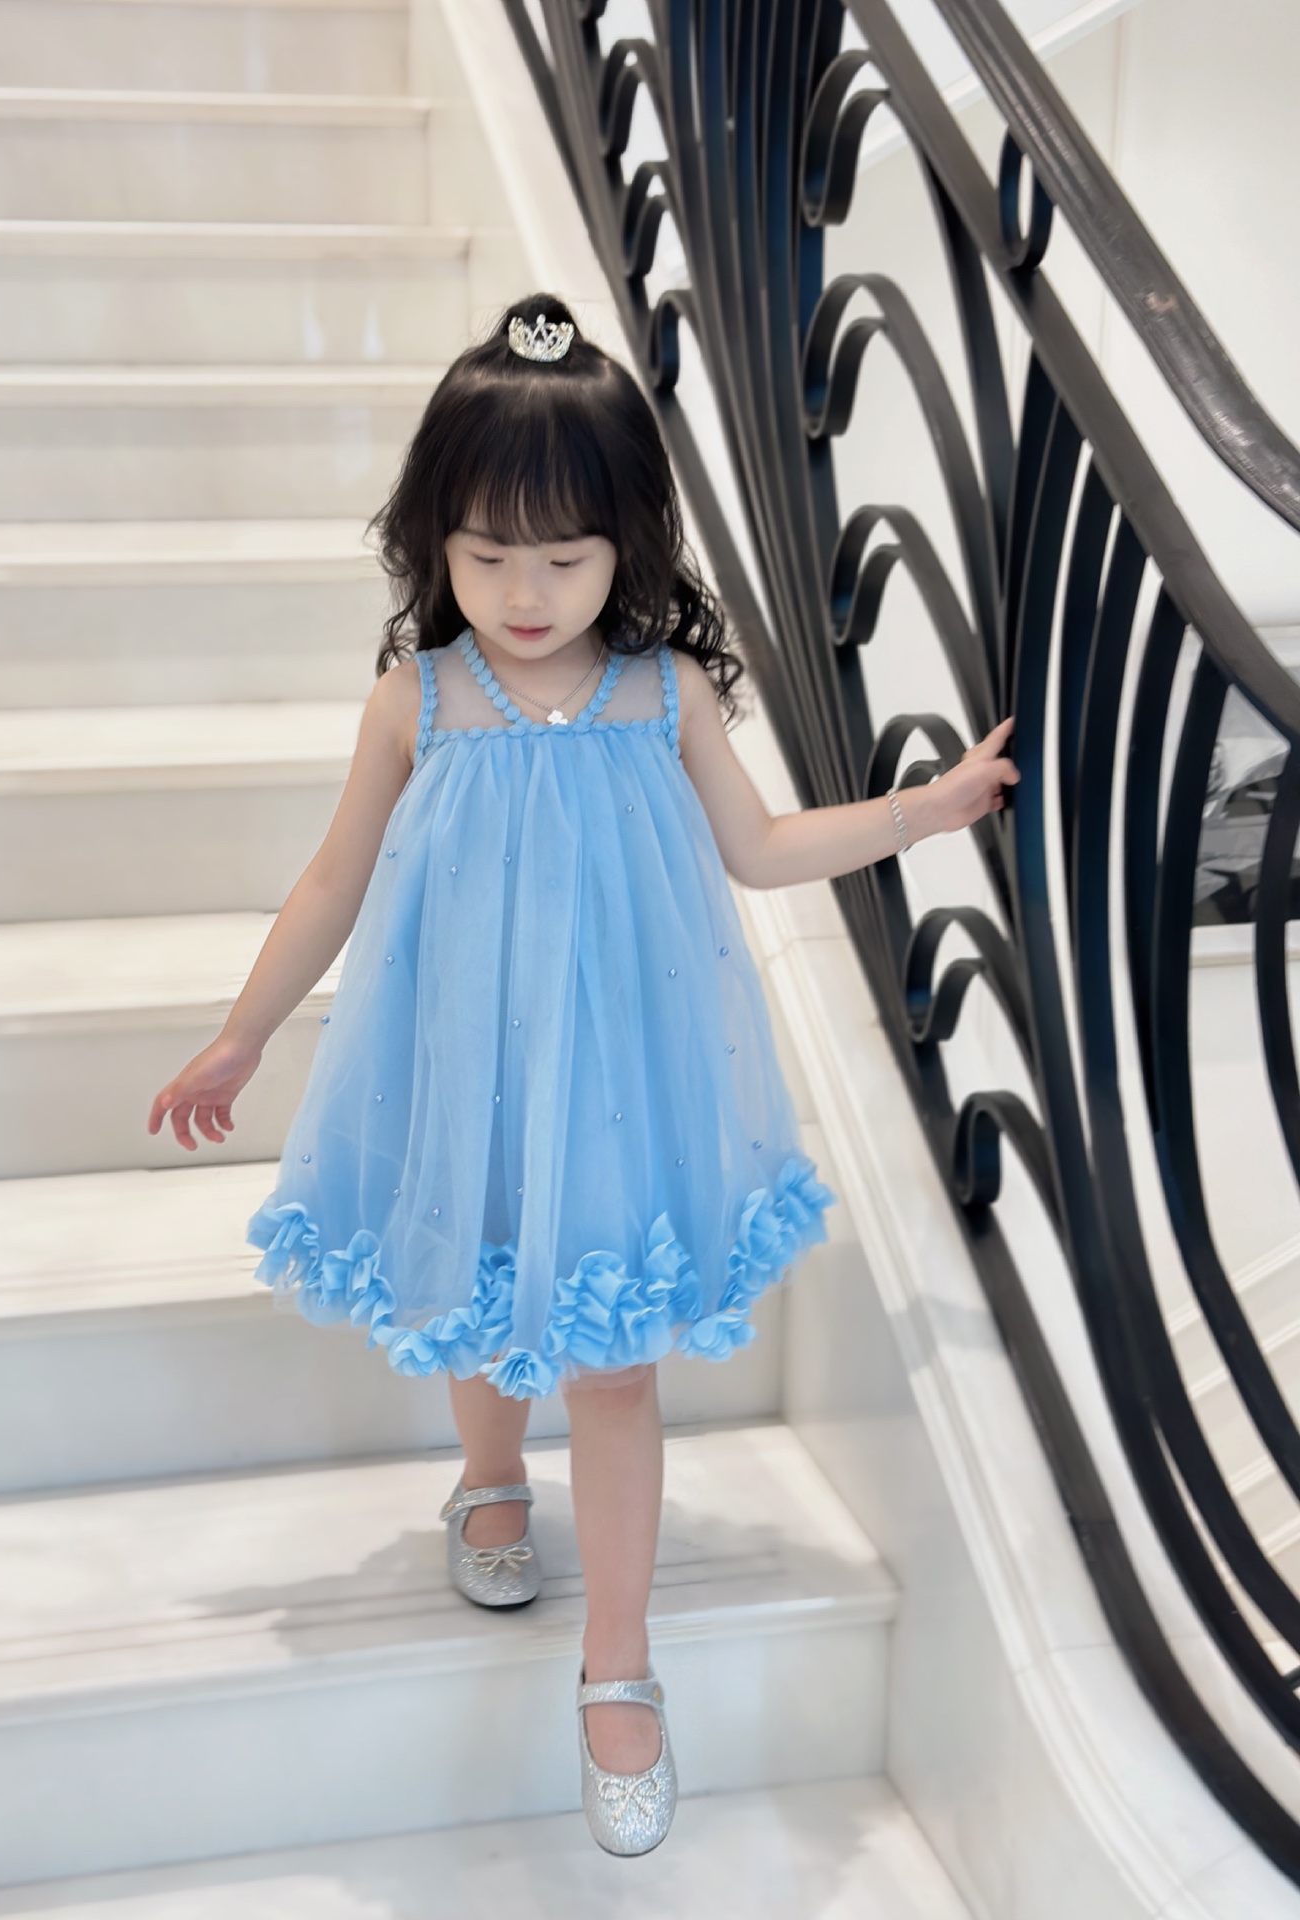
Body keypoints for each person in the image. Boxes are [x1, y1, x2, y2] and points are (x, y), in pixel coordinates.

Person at [147, 294, 1017, 1857]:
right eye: (486, 555)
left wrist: (918, 813)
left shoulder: (660, 694)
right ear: (435, 542)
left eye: (562, 556)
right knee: (484, 1286)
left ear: (629, 545)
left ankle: (620, 1664)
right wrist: (245, 1029)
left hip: (620, 1077)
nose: (523, 593)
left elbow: (761, 848)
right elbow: (333, 883)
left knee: (613, 1362)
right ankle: (488, 1479)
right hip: (464, 1060)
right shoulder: (419, 698)